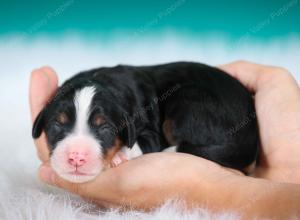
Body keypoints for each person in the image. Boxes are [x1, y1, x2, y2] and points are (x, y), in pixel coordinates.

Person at [29, 61, 300, 218]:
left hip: (216, 116)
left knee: (181, 108)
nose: (76, 153)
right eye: (58, 126)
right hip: (235, 140)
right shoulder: (84, 93)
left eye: (102, 129)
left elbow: (146, 135)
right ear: (41, 124)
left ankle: (214, 153)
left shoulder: (137, 112)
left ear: (127, 128)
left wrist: (133, 151)